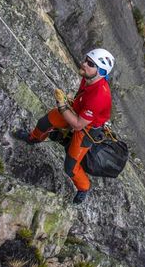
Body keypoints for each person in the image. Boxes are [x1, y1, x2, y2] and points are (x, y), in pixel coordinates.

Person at [15, 48, 114, 204]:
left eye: (90, 63)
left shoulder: (100, 96)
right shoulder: (89, 77)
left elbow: (77, 125)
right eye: (86, 59)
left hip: (87, 129)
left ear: (101, 71)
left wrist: (62, 105)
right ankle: (33, 138)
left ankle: (84, 187)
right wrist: (69, 102)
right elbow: (81, 99)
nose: (83, 64)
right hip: (77, 111)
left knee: (70, 166)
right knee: (45, 122)